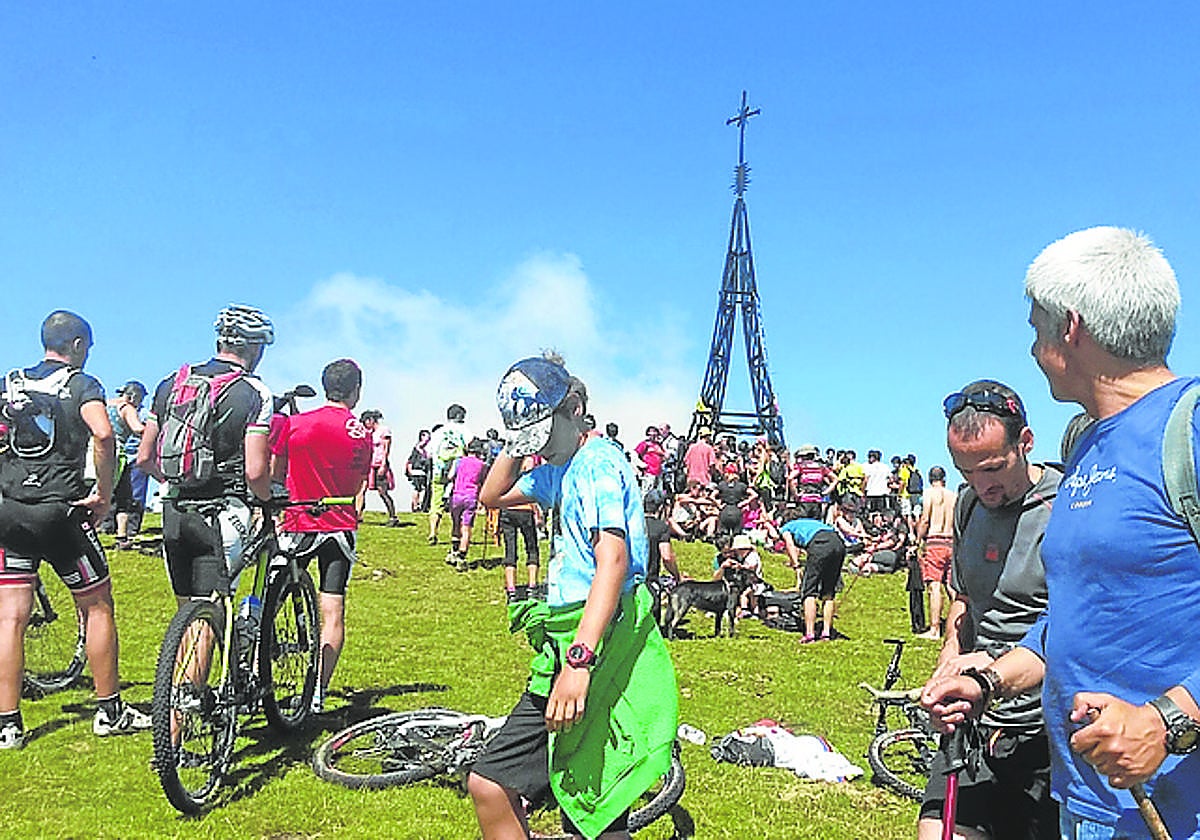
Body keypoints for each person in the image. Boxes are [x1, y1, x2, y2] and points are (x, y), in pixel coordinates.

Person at [922, 227, 1200, 838]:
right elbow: (1077, 619)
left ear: (1068, 328)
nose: (1031, 347)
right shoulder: (1086, 441)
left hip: (1177, 809)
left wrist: (1172, 720)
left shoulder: (1191, 427)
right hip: (1083, 801)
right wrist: (988, 677)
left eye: (1034, 328)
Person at [469, 353, 677, 840]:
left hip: (594, 641)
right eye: (530, 440)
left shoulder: (599, 464)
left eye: (543, 433)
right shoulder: (558, 468)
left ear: (575, 408)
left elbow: (614, 562)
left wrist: (578, 663)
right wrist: (517, 438)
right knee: (580, 797)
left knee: (522, 787)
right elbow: (491, 496)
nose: (538, 447)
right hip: (571, 639)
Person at [916, 380, 1061, 840]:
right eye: (967, 472)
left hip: (1046, 732)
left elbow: (1075, 624)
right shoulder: (967, 506)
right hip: (974, 724)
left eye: (993, 468)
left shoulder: (1066, 507)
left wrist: (992, 676)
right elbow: (965, 601)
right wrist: (947, 666)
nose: (982, 485)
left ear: (1026, 442)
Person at [0, 311, 152, 748]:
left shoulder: (12, 382)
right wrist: (104, 494)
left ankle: (8, 724)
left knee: (10, 616)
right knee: (97, 604)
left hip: (12, 511)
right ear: (80, 346)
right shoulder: (83, 384)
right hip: (61, 511)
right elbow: (104, 434)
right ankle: (109, 710)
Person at [138, 305, 275, 608]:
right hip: (223, 511)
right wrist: (267, 500)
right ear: (255, 348)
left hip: (174, 510)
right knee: (209, 618)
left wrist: (175, 479)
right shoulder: (255, 392)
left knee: (186, 613)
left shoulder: (171, 382)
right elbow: (254, 471)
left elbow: (145, 456)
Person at [270, 358, 372, 714]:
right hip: (339, 524)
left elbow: (276, 473)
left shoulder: (295, 424)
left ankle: (261, 665)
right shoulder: (361, 432)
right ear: (356, 390)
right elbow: (359, 480)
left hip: (298, 520)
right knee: (333, 608)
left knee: (275, 598)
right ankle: (316, 692)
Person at [778, 504, 846, 643]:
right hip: (838, 543)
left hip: (820, 544)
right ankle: (826, 632)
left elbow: (790, 545)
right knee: (828, 591)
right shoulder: (812, 523)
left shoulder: (787, 527)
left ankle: (810, 633)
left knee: (809, 591)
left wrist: (796, 566)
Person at [915, 465, 957, 640]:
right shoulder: (953, 496)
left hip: (935, 541)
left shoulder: (928, 494)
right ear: (944, 478)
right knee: (952, 587)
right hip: (951, 542)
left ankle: (934, 628)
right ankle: (958, 627)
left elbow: (925, 519)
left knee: (934, 586)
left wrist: (918, 539)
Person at [107, 380, 149, 549]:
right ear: (134, 396)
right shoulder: (127, 408)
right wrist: (152, 431)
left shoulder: (105, 404)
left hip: (94, 450)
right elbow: (137, 428)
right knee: (124, 496)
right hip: (117, 452)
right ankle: (122, 537)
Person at [496, 457, 542, 592]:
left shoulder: (507, 474)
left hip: (508, 510)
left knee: (510, 549)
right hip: (525, 510)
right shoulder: (528, 477)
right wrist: (537, 514)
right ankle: (532, 585)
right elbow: (532, 495)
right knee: (531, 547)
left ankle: (511, 588)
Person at [428, 403, 470, 544]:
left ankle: (433, 531)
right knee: (456, 502)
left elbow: (429, 452)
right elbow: (470, 448)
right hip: (458, 470)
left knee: (436, 500)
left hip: (439, 469)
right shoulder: (464, 431)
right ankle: (455, 532)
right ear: (459, 415)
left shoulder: (438, 432)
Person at [447, 437, 488, 569]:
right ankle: (462, 556)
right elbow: (483, 481)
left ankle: (453, 551)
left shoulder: (458, 461)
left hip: (457, 495)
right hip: (471, 496)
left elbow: (449, 476)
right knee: (466, 527)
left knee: (455, 524)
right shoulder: (482, 465)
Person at [359, 409, 400, 527]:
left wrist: (383, 464)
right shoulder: (372, 433)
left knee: (383, 491)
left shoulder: (384, 431)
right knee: (368, 489)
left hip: (380, 463)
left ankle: (393, 516)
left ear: (370, 420)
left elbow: (386, 448)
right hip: (372, 464)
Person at [404, 429, 432, 513]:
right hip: (417, 471)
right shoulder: (418, 448)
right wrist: (410, 470)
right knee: (418, 488)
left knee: (420, 488)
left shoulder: (423, 449)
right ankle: (416, 505)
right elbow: (411, 460)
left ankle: (418, 505)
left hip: (421, 471)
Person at [633, 425, 665, 494]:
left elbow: (664, 456)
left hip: (659, 473)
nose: (653, 435)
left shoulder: (659, 445)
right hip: (649, 473)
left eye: (655, 433)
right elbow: (634, 455)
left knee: (659, 493)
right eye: (651, 433)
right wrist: (643, 465)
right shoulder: (644, 444)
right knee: (646, 492)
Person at [862, 449, 892, 513]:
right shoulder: (885, 467)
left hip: (871, 493)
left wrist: (862, 490)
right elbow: (891, 479)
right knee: (881, 512)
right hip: (882, 493)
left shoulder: (869, 467)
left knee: (871, 512)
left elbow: (866, 479)